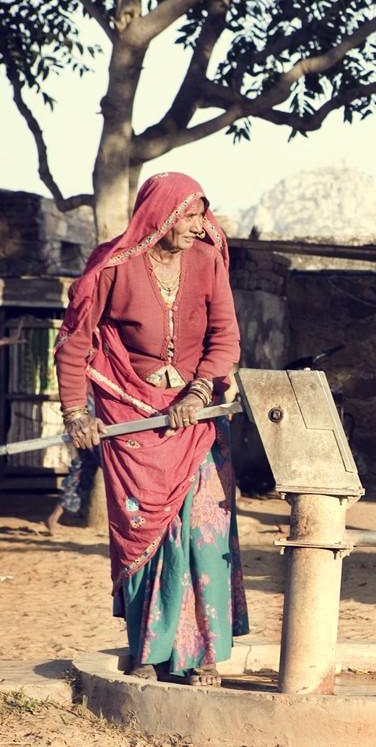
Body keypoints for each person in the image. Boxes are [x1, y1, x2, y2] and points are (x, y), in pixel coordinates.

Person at [53, 172, 248, 684]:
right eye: (187, 215)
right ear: (160, 215)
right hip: (130, 417)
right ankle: (148, 650)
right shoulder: (114, 266)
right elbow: (75, 341)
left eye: (201, 214)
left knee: (206, 527)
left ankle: (202, 654)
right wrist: (76, 413)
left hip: (195, 417)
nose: (197, 225)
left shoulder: (206, 260)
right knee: (145, 532)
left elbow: (225, 337)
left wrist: (201, 389)